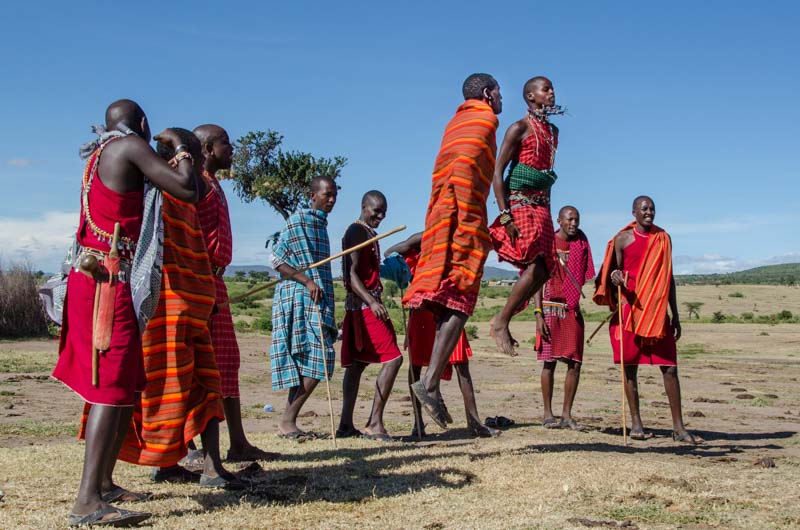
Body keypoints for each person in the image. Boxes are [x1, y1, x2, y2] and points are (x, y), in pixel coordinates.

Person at [52, 99, 197, 526]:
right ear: (143, 124)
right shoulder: (130, 145)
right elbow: (186, 188)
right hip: (108, 281)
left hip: (102, 277)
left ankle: (105, 484)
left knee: (123, 386)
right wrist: (183, 149)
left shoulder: (100, 151)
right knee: (109, 388)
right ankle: (86, 502)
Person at [116, 128, 245, 490]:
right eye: (199, 158)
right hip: (171, 301)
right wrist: (181, 152)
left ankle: (208, 466)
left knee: (204, 379)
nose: (202, 168)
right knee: (178, 382)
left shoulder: (184, 187)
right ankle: (176, 460)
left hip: (195, 296)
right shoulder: (171, 189)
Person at [403, 73, 502, 429]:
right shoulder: (485, 118)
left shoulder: (454, 122)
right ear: (489, 94)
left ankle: (430, 384)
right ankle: (429, 382)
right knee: (461, 299)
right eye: (500, 94)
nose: (501, 101)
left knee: (447, 302)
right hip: (462, 215)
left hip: (440, 215)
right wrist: (471, 213)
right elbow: (464, 169)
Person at [192, 124, 275, 462]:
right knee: (198, 366)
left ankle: (238, 443)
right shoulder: (193, 183)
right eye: (226, 143)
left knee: (226, 363)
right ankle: (186, 446)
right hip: (198, 282)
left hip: (216, 282)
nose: (233, 148)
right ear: (208, 149)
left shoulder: (213, 184)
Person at [593, 196, 703, 444]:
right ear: (633, 212)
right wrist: (616, 278)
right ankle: (636, 425)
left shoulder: (663, 238)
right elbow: (611, 273)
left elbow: (668, 278)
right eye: (644, 209)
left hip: (656, 313)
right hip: (630, 313)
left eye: (652, 208)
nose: (649, 212)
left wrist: (674, 313)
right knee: (630, 369)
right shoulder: (621, 240)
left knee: (670, 368)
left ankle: (678, 428)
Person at [386, 232, 498, 438]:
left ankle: (474, 422)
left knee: (462, 365)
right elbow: (389, 252)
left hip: (450, 310)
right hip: (423, 310)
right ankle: (418, 424)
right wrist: (407, 267)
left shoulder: (460, 238)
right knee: (416, 368)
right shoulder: (425, 237)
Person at [489, 76, 561, 356]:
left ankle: (503, 319)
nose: (551, 92)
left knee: (545, 269)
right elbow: (498, 172)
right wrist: (505, 215)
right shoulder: (519, 128)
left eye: (552, 88)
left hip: (542, 207)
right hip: (519, 204)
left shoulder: (553, 132)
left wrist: (549, 213)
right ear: (530, 97)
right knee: (533, 264)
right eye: (546, 89)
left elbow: (545, 178)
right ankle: (500, 321)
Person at [270, 176, 338, 441]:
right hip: (298, 297)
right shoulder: (298, 221)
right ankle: (287, 421)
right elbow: (276, 259)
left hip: (316, 299)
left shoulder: (321, 225)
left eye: (334, 195)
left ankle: (288, 421)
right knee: (319, 358)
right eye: (326, 195)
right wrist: (307, 280)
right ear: (313, 196)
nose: (331, 200)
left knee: (312, 360)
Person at [338, 191, 403, 441]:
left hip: (362, 305)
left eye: (384, 212)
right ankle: (374, 423)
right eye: (376, 211)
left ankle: (345, 425)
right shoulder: (356, 231)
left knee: (356, 365)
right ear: (364, 206)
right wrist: (372, 301)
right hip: (364, 307)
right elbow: (350, 274)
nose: (381, 216)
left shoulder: (368, 233)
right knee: (394, 359)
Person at [532, 206, 594, 430]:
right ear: (559, 221)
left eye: (577, 219)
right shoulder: (548, 243)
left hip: (571, 308)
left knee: (574, 362)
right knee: (549, 363)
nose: (574, 223)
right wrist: (538, 314)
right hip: (549, 307)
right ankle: (548, 413)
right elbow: (536, 280)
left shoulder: (581, 242)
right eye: (569, 219)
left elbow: (586, 272)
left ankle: (567, 415)